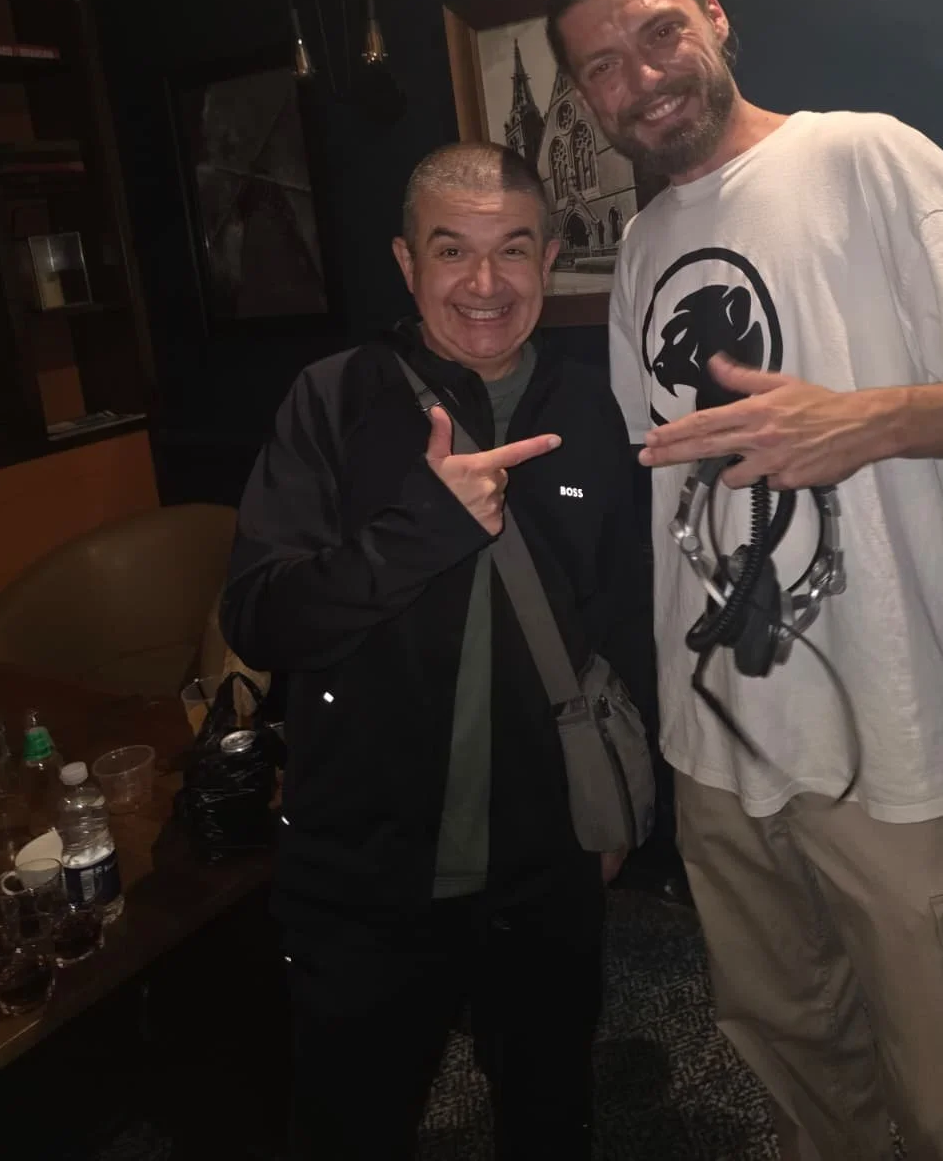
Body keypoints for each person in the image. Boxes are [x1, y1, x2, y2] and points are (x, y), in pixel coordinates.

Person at [545, 0, 943, 1161]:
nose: (638, 76)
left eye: (657, 33)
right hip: (718, 739)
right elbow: (678, 477)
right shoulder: (639, 252)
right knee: (789, 1052)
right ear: (585, 100)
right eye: (601, 67)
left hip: (886, 727)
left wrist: (861, 423)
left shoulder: (864, 154)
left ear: (715, 17)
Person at [219, 142, 652, 1160]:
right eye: (452, 250)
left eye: (513, 250)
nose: (486, 283)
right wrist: (422, 527)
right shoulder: (331, 403)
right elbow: (260, 616)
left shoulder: (590, 409)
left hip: (544, 863)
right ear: (407, 265)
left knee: (550, 1117)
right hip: (365, 868)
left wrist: (624, 802)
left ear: (550, 258)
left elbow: (625, 619)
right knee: (348, 1126)